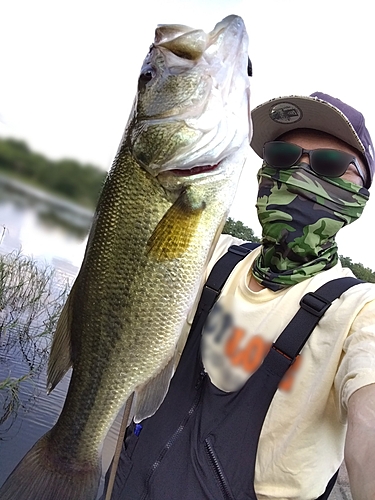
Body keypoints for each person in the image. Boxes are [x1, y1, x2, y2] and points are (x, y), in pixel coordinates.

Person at [102, 92, 375, 500]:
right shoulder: (208, 253)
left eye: (328, 165)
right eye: (283, 157)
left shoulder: (359, 310)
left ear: (361, 195)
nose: (299, 174)